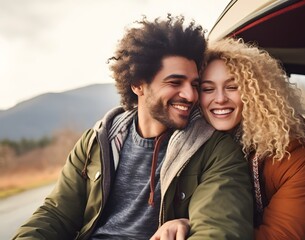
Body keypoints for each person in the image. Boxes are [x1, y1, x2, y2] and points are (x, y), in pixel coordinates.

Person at [12, 16, 254, 240]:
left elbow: (219, 230)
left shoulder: (214, 150)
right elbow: (55, 214)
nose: (190, 95)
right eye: (175, 82)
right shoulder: (96, 141)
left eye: (194, 84)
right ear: (138, 85)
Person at [151, 38, 305, 240]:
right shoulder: (194, 147)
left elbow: (284, 235)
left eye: (232, 87)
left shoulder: (295, 154)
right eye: (207, 88)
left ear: (255, 93)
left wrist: (194, 228)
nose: (220, 98)